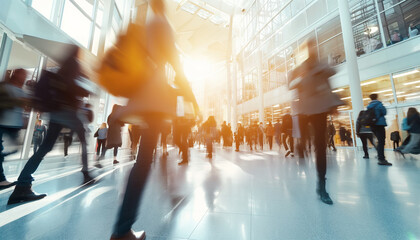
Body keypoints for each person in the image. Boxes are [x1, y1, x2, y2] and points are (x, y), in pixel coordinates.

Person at [109, 0, 199, 238]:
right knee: (145, 161)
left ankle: (164, 197)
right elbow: (176, 65)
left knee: (150, 157)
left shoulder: (147, 26)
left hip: (147, 99)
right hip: (155, 100)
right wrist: (192, 99)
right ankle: (122, 228)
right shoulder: (162, 26)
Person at [8, 46, 95, 205]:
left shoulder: (61, 67)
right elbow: (72, 87)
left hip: (55, 113)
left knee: (45, 148)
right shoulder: (74, 65)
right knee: (84, 137)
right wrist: (84, 89)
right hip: (68, 111)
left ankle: (22, 186)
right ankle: (86, 173)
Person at [289, 38, 344, 205]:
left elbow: (329, 81)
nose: (312, 49)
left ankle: (321, 186)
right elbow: (290, 84)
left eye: (313, 46)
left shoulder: (322, 65)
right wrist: (301, 78)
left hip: (320, 109)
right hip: (305, 109)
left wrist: (333, 103)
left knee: (320, 147)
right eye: (309, 47)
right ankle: (300, 145)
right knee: (304, 136)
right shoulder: (299, 69)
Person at [0, 69, 28, 189]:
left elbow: (25, 107)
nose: (24, 77)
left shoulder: (22, 91)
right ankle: (1, 180)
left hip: (15, 125)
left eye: (25, 75)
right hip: (2, 122)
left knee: (15, 150)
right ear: (15, 75)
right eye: (22, 74)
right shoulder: (5, 87)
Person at [367, 93, 392, 166]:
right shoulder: (379, 104)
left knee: (380, 141)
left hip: (373, 126)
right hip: (380, 124)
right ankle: (381, 159)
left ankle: (380, 156)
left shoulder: (369, 106)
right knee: (381, 141)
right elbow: (384, 112)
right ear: (377, 97)